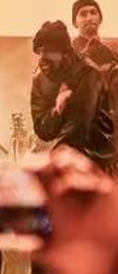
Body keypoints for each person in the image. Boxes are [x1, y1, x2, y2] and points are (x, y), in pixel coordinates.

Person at [30, 20, 116, 175]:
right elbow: (43, 131)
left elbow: (80, 128)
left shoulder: (88, 73)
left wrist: (53, 164)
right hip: (67, 161)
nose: (42, 58)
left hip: (98, 162)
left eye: (48, 51)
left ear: (64, 53)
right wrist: (57, 109)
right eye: (39, 51)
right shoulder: (39, 80)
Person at [70, 0, 117, 72]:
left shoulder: (113, 55)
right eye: (83, 14)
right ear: (74, 23)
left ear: (100, 19)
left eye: (93, 13)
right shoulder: (68, 54)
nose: (89, 18)